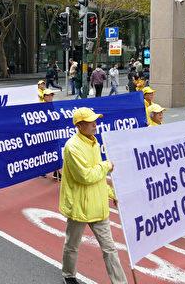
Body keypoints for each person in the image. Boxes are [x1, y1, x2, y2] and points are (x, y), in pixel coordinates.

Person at [59, 107, 127, 284]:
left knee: (110, 248)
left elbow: (98, 177)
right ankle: (69, 275)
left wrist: (112, 194)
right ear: (79, 125)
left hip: (98, 205)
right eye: (91, 122)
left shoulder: (94, 143)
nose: (95, 124)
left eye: (95, 120)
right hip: (79, 206)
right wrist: (106, 166)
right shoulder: (72, 147)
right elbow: (85, 176)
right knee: (72, 245)